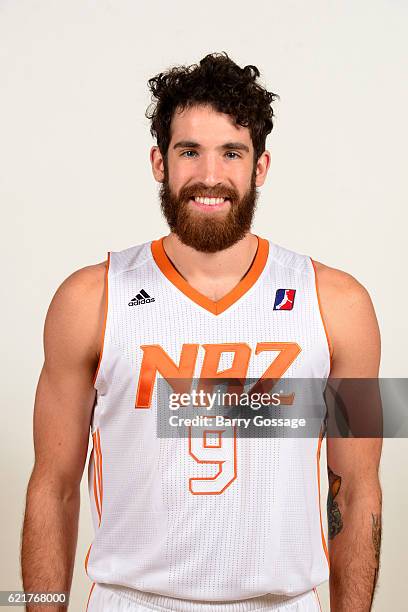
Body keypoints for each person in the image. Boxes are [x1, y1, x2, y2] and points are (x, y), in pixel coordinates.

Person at [21, 52, 382, 612]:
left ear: (259, 167)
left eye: (231, 153)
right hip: (131, 601)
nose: (209, 176)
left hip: (282, 601)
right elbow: (53, 486)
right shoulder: (89, 298)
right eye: (189, 151)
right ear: (159, 162)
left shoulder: (338, 303)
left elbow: (358, 493)